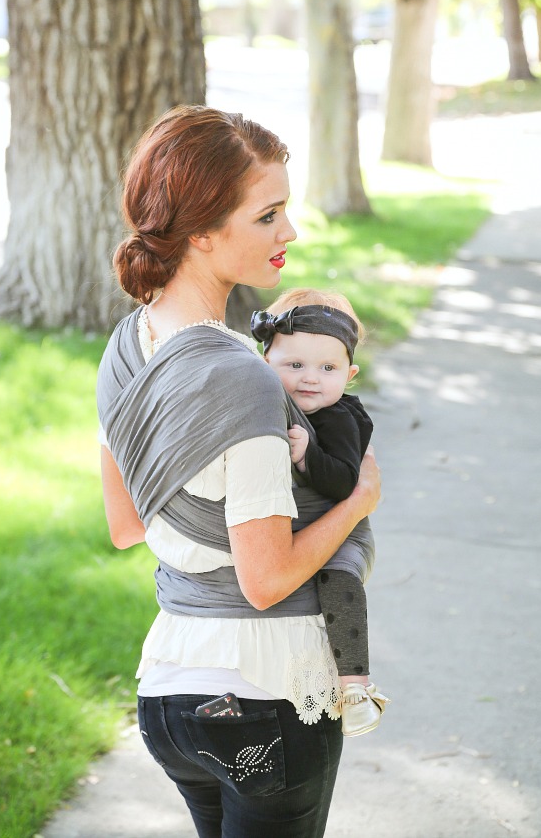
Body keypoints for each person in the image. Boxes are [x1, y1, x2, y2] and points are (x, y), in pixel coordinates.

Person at [96, 104, 381, 838]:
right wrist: (357, 502)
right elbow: (266, 579)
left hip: (171, 690)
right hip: (265, 694)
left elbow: (126, 525)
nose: (290, 233)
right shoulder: (244, 379)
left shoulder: (127, 345)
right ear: (200, 230)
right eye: (268, 215)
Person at [251, 288, 389, 737]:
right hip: (310, 526)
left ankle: (355, 688)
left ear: (349, 374)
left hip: (347, 531)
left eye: (327, 368)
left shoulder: (340, 418)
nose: (311, 378)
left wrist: (308, 455)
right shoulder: (267, 406)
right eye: (295, 365)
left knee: (339, 580)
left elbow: (345, 484)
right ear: (265, 361)